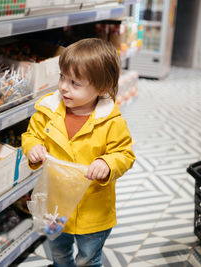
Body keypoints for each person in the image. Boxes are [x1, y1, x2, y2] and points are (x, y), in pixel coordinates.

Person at [21, 38, 135, 267]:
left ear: (101, 88)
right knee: (59, 253)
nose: (64, 86)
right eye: (62, 76)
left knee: (87, 258)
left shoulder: (110, 122)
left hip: (92, 211)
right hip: (56, 204)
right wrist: (32, 147)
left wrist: (107, 163)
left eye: (75, 83)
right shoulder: (48, 111)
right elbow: (32, 135)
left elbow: (124, 154)